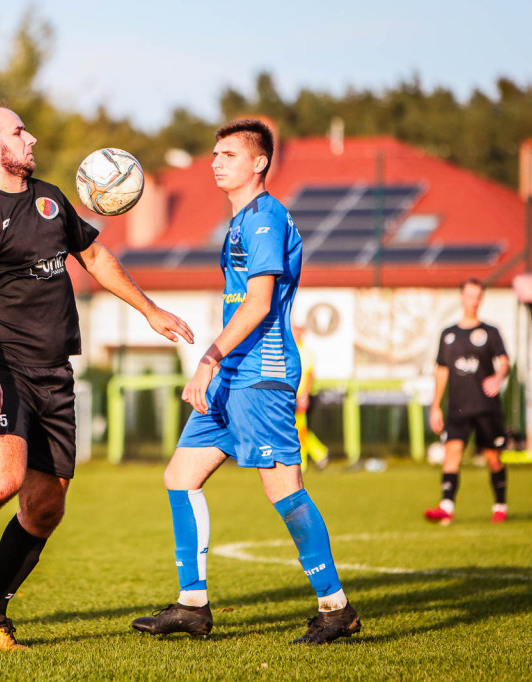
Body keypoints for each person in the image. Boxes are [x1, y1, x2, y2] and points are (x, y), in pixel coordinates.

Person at [0, 103, 194, 650]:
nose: (30, 137)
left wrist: (150, 310)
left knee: (46, 508)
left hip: (55, 374)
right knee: (1, 480)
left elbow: (95, 259)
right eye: (18, 131)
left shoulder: (50, 199)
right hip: (3, 371)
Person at [129, 119, 361, 645]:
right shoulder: (240, 221)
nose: (216, 161)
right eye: (214, 153)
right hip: (235, 372)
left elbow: (259, 303)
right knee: (179, 477)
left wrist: (209, 358)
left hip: (263, 372)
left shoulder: (264, 218)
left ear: (259, 163)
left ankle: (336, 608)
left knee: (284, 488)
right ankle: (192, 605)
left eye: (229, 154)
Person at [425, 279, 510, 525]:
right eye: (470, 295)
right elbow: (441, 371)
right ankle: (446, 507)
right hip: (457, 408)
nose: (474, 300)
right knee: (452, 453)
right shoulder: (448, 334)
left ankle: (500, 504)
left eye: (478, 296)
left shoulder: (490, 332)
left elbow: (504, 361)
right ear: (462, 297)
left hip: (486, 407)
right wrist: (435, 407)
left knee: (493, 458)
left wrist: (498, 376)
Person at [294, 324, 329, 470]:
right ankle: (319, 453)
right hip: (290, 397)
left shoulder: (304, 352)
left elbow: (308, 375)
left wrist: (304, 396)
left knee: (299, 429)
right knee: (296, 428)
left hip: (300, 397)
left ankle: (302, 462)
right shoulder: (290, 350)